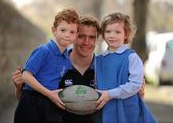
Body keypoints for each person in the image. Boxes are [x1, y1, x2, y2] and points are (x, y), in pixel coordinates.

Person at [12, 14, 145, 123]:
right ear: (74, 36)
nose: (86, 42)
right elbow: (31, 101)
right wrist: (19, 88)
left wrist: (138, 95)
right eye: (81, 36)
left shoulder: (103, 67)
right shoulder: (57, 63)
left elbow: (119, 98)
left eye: (92, 37)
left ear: (98, 39)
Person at [14, 8, 79, 123]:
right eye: (63, 30)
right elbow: (26, 76)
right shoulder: (44, 51)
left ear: (76, 35)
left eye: (72, 32)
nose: (67, 35)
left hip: (50, 103)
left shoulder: (67, 59)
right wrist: (49, 94)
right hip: (31, 101)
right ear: (54, 30)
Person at [95, 12, 157, 123]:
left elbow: (135, 84)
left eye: (117, 32)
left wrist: (110, 94)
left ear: (126, 35)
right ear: (103, 34)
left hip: (127, 109)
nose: (112, 35)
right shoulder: (98, 60)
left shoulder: (131, 57)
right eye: (108, 31)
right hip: (107, 109)